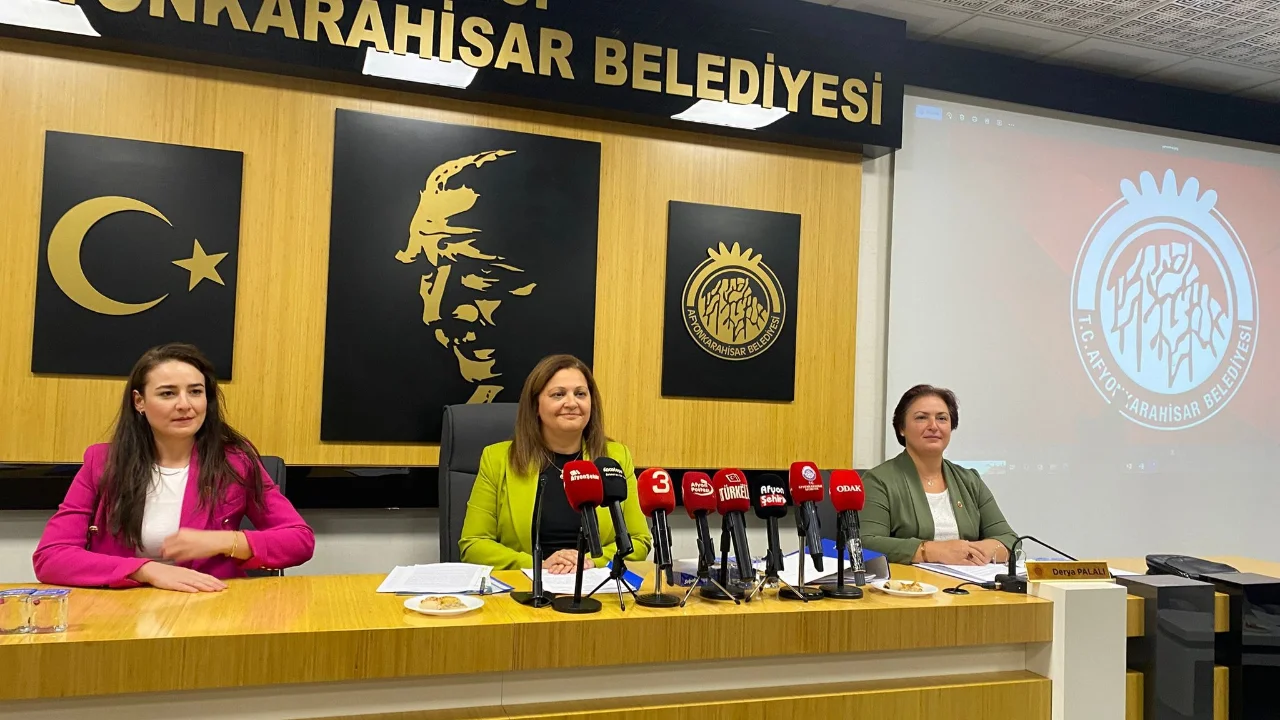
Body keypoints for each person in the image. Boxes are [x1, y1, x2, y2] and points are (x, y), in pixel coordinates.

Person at [33, 343, 314, 591]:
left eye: (195, 392)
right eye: (168, 393)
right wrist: (146, 570)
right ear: (139, 402)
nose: (185, 405)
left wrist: (223, 541)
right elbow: (51, 557)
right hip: (121, 609)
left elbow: (299, 541)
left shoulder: (236, 462)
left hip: (209, 608)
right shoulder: (103, 462)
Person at [460, 354, 652, 573]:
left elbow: (639, 540)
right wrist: (538, 565)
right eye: (558, 394)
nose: (571, 403)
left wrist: (590, 561)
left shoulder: (615, 458)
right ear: (535, 405)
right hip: (528, 586)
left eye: (580, 394)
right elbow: (473, 544)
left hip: (594, 584)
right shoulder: (497, 459)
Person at [861, 384, 1017, 566]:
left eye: (942, 418)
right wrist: (932, 551)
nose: (933, 426)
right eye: (921, 418)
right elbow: (866, 543)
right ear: (901, 428)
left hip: (967, 581)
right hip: (910, 582)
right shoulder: (878, 481)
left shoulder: (969, 480)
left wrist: (981, 551)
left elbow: (1009, 540)